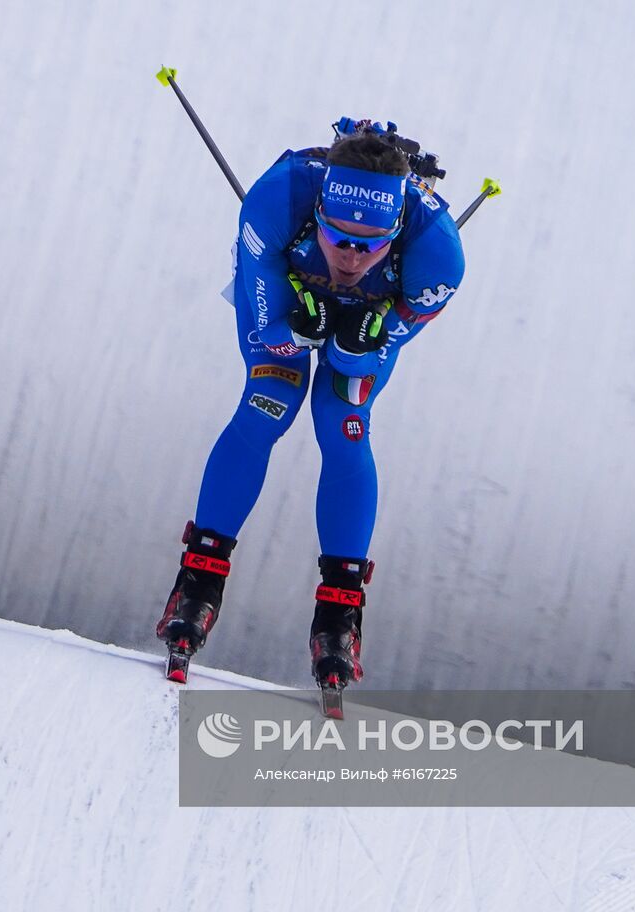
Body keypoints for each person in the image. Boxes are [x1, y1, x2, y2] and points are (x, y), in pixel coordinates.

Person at [155, 119, 467, 695]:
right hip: (284, 293)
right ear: (317, 212)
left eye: (370, 244)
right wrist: (299, 330)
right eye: (337, 236)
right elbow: (271, 329)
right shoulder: (277, 201)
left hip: (368, 318)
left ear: (396, 233)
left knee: (344, 425)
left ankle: (340, 615)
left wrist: (354, 346)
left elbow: (365, 361)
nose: (350, 257)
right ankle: (197, 583)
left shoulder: (437, 256)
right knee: (269, 401)